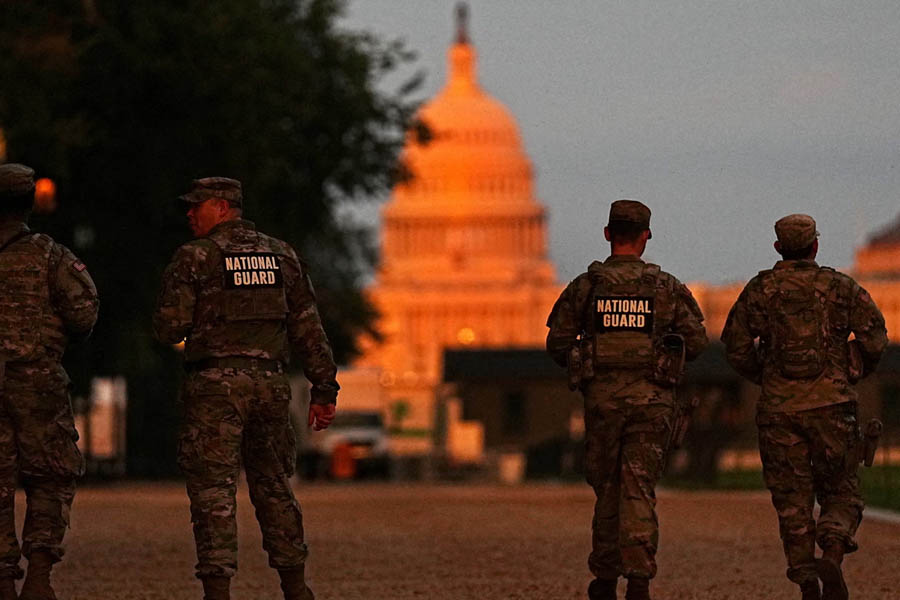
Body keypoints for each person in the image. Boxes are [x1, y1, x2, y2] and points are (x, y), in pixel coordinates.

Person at [153, 177, 339, 600]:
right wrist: (324, 390)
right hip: (270, 386)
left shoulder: (195, 258)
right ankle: (295, 587)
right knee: (274, 485)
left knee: (214, 491)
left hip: (215, 389)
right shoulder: (282, 256)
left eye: (195, 206)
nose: (188, 214)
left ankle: (218, 590)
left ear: (220, 207)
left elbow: (168, 328)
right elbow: (308, 329)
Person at [546, 200, 707, 600]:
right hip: (652, 403)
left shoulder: (587, 288)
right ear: (646, 236)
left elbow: (557, 343)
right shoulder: (665, 287)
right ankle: (638, 578)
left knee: (608, 488)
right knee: (638, 487)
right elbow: (698, 343)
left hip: (603, 403)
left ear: (607, 234)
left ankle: (604, 577)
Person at [721, 214, 887, 600]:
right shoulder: (840, 287)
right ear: (815, 245)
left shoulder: (761, 290)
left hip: (779, 411)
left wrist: (765, 376)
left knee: (792, 502)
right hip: (833, 406)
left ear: (779, 248)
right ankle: (831, 550)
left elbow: (736, 346)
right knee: (842, 492)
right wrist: (853, 368)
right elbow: (875, 338)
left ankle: (807, 582)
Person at [0, 163, 99, 600]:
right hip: (37, 382)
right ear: (29, 204)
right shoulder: (51, 255)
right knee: (51, 477)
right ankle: (39, 578)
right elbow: (84, 314)